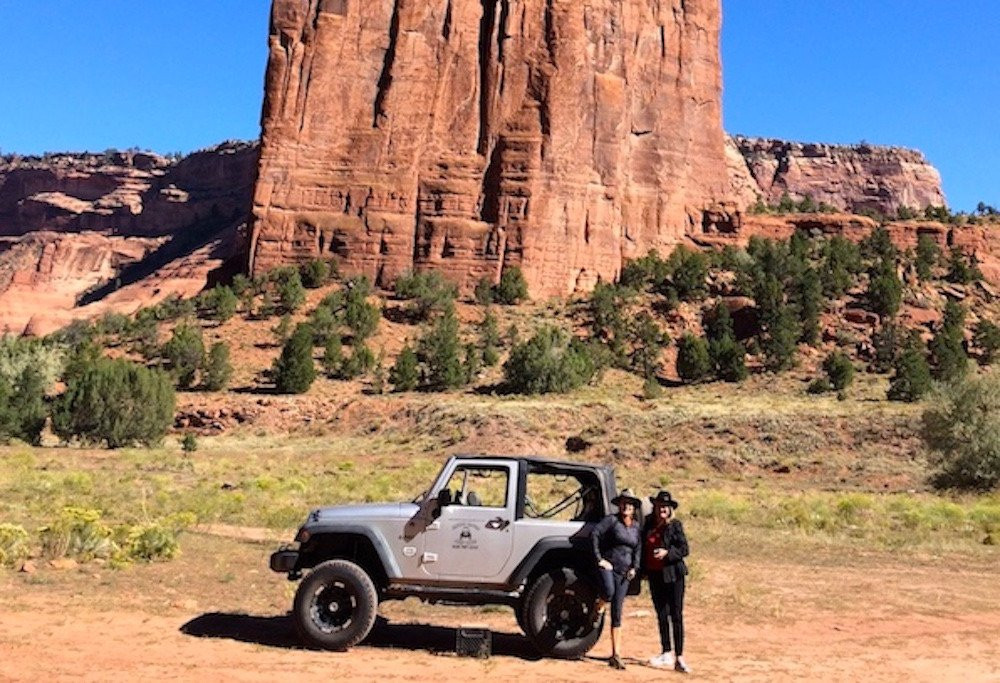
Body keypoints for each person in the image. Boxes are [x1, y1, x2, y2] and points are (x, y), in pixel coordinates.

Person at [591, 489, 642, 670]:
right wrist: (600, 559)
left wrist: (634, 567)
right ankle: (599, 605)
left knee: (618, 611)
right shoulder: (611, 521)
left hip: (625, 573)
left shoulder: (636, 527)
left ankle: (616, 654)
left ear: (634, 507)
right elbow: (595, 534)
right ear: (619, 505)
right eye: (623, 502)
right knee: (609, 593)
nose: (626, 506)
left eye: (630, 503)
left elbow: (638, 548)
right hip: (609, 566)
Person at [643, 490, 690, 673]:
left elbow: (684, 549)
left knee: (676, 615)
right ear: (654, 508)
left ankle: (679, 656)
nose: (662, 509)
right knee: (661, 614)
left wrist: (667, 553)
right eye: (659, 506)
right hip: (655, 576)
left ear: (670, 510)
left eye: (665, 507)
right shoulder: (648, 525)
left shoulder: (675, 526)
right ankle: (666, 652)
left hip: (674, 575)